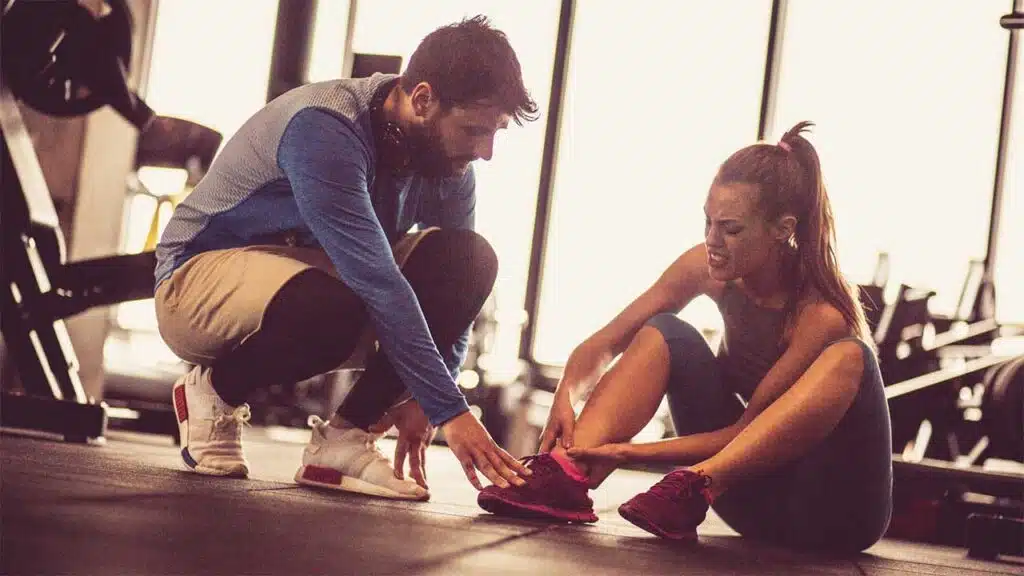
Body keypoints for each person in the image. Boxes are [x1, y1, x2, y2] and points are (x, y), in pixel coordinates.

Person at [154, 16, 534, 501]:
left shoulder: (449, 165)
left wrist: (426, 394)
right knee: (340, 301)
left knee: (469, 259)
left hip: (318, 279)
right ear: (422, 100)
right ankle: (214, 390)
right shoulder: (325, 128)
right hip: (195, 283)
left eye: (495, 133)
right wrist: (450, 408)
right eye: (474, 130)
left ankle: (344, 439)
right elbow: (378, 281)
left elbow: (458, 293)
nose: (486, 152)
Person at [478, 122, 894, 553]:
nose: (712, 241)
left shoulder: (821, 313)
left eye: (731, 229)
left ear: (782, 228)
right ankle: (568, 477)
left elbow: (749, 431)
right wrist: (568, 392)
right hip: (749, 503)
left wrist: (626, 454)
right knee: (665, 332)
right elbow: (604, 343)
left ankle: (685, 485)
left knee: (851, 355)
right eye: (708, 222)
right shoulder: (708, 269)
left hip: (834, 515)